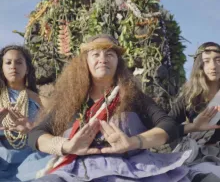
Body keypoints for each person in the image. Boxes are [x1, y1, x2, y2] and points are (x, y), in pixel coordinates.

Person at [29, 35, 212, 182]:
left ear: (118, 62)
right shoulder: (69, 101)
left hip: (136, 167)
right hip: (79, 170)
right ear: (85, 62)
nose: (103, 59)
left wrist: (134, 142)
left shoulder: (133, 97)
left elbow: (168, 125)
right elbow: (36, 134)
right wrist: (67, 145)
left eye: (110, 54)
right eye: (96, 54)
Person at [169, 42, 220, 180]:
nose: (213, 66)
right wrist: (193, 127)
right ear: (200, 65)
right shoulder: (189, 96)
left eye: (218, 60)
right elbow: (168, 127)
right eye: (206, 61)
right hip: (193, 155)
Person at [0, 45, 49, 181]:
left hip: (33, 159)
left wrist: (32, 128)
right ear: (2, 68)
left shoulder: (41, 100)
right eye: (8, 62)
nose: (13, 66)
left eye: (19, 62)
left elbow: (57, 129)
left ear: (27, 69)